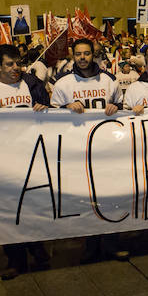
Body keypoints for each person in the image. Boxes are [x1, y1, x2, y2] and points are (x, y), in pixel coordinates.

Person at [0, 44, 51, 280]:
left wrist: (44, 107)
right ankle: (15, 259)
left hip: (31, 157)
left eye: (18, 63)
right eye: (9, 64)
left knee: (33, 207)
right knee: (8, 211)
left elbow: (51, 115)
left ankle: (39, 251)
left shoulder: (34, 85)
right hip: (2, 160)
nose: (16, 68)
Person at [51, 39, 124, 263]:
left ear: (94, 54)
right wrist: (65, 108)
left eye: (87, 54)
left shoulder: (109, 80)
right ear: (73, 56)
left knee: (111, 198)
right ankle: (90, 247)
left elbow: (122, 107)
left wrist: (116, 108)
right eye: (78, 54)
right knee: (87, 200)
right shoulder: (62, 83)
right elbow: (51, 116)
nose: (82, 58)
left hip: (107, 149)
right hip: (79, 149)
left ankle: (112, 244)